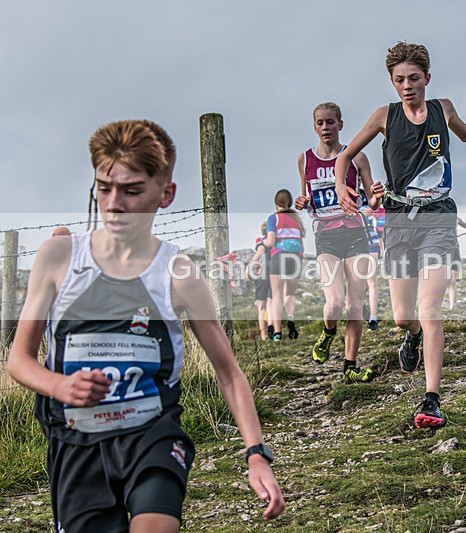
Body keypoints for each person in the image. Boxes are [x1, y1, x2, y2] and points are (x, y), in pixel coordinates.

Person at [7, 119, 284, 532]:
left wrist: (256, 454)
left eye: (132, 190)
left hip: (152, 435)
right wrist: (58, 386)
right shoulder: (59, 258)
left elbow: (229, 374)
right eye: (104, 188)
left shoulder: (178, 273)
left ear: (165, 194)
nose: (115, 203)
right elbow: (19, 359)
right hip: (76, 445)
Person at [335, 42, 466, 429]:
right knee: (405, 317)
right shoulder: (383, 117)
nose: (407, 86)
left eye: (413, 79)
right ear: (392, 82)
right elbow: (344, 156)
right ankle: (412, 337)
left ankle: (432, 399)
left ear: (427, 78)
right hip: (399, 221)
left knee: (431, 309)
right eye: (399, 80)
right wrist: (342, 186)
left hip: (439, 217)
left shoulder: (443, 108)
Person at [294, 102, 381, 383]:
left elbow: (371, 201)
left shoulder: (357, 157)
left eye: (330, 122)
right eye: (320, 123)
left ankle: (350, 365)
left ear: (340, 125)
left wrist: (376, 196)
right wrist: (302, 201)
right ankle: (328, 333)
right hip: (326, 236)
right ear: (314, 127)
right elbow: (305, 197)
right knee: (334, 303)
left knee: (355, 305)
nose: (325, 128)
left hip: (356, 233)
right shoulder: (305, 159)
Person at [264, 189, 304, 341]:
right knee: (290, 294)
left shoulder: (274, 218)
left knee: (277, 295)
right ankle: (291, 318)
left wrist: (262, 243)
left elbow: (270, 241)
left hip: (279, 255)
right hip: (296, 257)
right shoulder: (296, 219)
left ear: (276, 204)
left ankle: (277, 332)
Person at [359, 194, 382, 331]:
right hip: (356, 245)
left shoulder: (366, 195)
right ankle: (363, 312)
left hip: (372, 243)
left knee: (371, 280)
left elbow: (376, 209)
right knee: (359, 283)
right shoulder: (346, 196)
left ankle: (373, 318)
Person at [247, 222, 273, 340]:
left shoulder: (261, 241)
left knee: (261, 307)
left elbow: (260, 252)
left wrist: (249, 268)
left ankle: (264, 335)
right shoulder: (278, 243)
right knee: (272, 305)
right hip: (275, 274)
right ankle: (274, 333)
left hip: (262, 275)